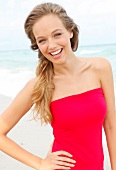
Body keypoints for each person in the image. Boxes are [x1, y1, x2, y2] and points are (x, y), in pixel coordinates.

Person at [0, 2, 116, 170]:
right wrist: (39, 163)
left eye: (57, 34)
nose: (52, 45)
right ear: (37, 45)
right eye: (42, 40)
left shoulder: (100, 68)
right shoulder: (38, 85)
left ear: (70, 31)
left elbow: (111, 126)